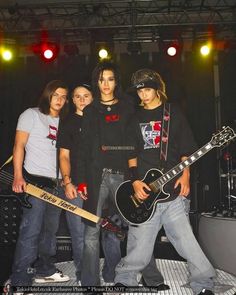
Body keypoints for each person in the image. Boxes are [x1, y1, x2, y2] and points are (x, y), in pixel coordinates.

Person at [114, 68, 216, 295]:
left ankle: (203, 283)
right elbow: (130, 153)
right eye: (140, 92)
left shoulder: (174, 114)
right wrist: (134, 181)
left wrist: (186, 175)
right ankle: (125, 279)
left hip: (172, 192)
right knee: (138, 246)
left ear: (158, 89)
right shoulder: (134, 119)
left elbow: (186, 148)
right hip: (145, 192)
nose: (143, 95)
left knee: (185, 240)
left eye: (148, 90)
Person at [77, 61, 168, 288]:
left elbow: (136, 143)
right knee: (91, 230)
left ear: (116, 81)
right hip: (96, 176)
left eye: (110, 79)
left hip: (125, 177)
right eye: (101, 79)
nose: (105, 84)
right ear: (96, 82)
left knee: (138, 227)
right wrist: (81, 180)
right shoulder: (89, 111)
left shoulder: (128, 107)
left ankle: (150, 278)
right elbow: (83, 148)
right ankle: (90, 284)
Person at [9, 80, 70, 291]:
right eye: (56, 95)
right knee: (31, 231)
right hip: (34, 183)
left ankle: (45, 270)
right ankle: (20, 278)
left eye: (63, 96)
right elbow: (19, 145)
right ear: (48, 95)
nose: (60, 100)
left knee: (49, 233)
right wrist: (18, 176)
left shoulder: (65, 121)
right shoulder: (31, 114)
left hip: (56, 185)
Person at [57, 83, 93, 284]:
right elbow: (64, 155)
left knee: (106, 235)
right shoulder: (68, 122)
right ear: (72, 100)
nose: (81, 100)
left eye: (85, 95)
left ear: (92, 98)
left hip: (100, 187)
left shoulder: (101, 120)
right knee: (78, 234)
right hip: (75, 186)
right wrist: (68, 182)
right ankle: (83, 275)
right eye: (77, 96)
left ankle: (110, 273)